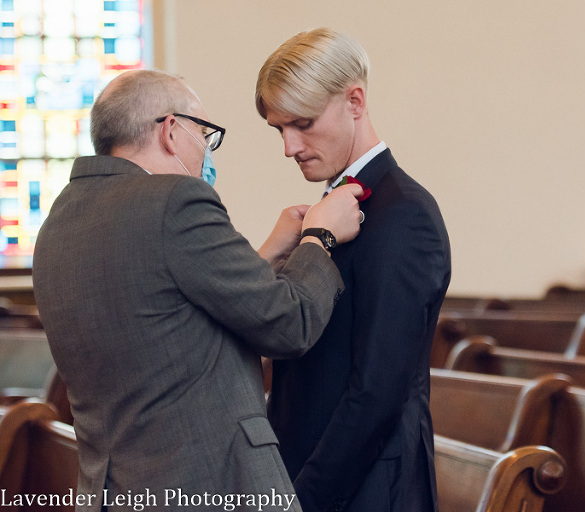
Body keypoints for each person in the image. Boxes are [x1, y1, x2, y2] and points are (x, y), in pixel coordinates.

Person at [32, 69, 364, 512]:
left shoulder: (59, 222)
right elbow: (289, 325)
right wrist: (318, 237)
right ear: (172, 131)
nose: (207, 150)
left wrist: (268, 253)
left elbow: (166, 309)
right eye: (205, 135)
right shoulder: (174, 199)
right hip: (207, 483)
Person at [255, 28, 451, 512]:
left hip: (366, 491)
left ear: (355, 101)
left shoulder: (405, 215)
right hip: (310, 471)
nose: (288, 146)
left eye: (301, 122)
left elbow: (377, 393)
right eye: (278, 129)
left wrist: (304, 501)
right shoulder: (331, 210)